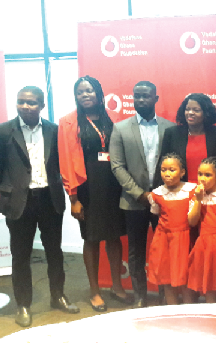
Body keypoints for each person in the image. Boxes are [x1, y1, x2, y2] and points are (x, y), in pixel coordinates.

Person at [0, 86, 79, 327]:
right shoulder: (4, 131)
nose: (25, 106)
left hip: (49, 198)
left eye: (31, 102)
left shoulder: (55, 131)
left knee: (54, 252)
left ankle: (58, 296)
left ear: (42, 106)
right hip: (19, 201)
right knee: (21, 256)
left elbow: (62, 163)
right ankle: (23, 304)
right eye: (21, 102)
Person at [58, 76, 128, 312]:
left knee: (115, 236)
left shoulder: (114, 119)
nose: (85, 95)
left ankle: (117, 286)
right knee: (91, 238)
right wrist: (73, 198)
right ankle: (95, 290)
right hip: (87, 187)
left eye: (89, 91)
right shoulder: (68, 122)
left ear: (99, 93)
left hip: (114, 185)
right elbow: (66, 162)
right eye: (80, 92)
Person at [109, 81, 175, 308]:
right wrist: (139, 194)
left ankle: (166, 295)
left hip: (164, 201)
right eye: (136, 96)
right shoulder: (120, 128)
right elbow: (117, 166)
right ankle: (140, 296)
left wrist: (161, 193)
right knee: (136, 252)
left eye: (146, 96)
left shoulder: (170, 127)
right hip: (133, 201)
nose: (140, 100)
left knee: (165, 250)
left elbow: (175, 164)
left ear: (156, 99)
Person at [147, 153, 196, 305]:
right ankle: (172, 309)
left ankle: (189, 313)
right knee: (166, 277)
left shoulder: (192, 191)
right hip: (164, 240)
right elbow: (155, 212)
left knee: (185, 277)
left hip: (184, 239)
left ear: (182, 172)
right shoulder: (156, 194)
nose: (167, 174)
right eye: (163, 170)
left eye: (172, 170)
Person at [187, 157, 216, 303]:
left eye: (208, 175)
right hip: (206, 245)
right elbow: (192, 221)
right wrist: (198, 200)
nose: (202, 179)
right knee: (209, 281)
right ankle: (211, 313)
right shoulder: (195, 196)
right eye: (200, 174)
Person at [158, 93, 216, 184]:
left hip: (210, 190)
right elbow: (163, 164)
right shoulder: (172, 133)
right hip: (179, 191)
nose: (190, 113)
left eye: (196, 110)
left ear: (206, 113)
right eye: (187, 109)